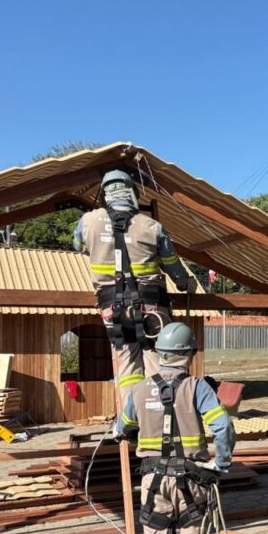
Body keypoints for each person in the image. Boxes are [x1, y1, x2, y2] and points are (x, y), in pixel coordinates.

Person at [115, 323, 235, 534]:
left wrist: (126, 430)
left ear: (161, 354)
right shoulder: (198, 387)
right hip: (192, 480)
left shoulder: (139, 389)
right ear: (188, 354)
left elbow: (122, 426)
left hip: (154, 482)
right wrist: (221, 464)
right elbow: (223, 427)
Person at [74, 169, 196, 404]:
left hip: (111, 307)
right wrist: (186, 284)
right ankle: (159, 412)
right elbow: (172, 264)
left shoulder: (88, 221)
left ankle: (131, 417)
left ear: (105, 194)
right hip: (151, 306)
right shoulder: (152, 226)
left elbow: (78, 245)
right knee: (157, 358)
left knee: (128, 361)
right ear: (132, 192)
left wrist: (103, 243)